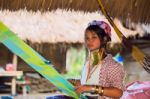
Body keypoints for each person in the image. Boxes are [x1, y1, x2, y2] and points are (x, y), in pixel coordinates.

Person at [70, 20, 125, 99]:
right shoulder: (88, 62)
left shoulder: (112, 65)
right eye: (87, 38)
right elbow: (86, 83)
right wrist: (72, 82)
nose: (89, 41)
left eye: (94, 37)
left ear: (105, 39)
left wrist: (91, 88)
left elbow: (118, 92)